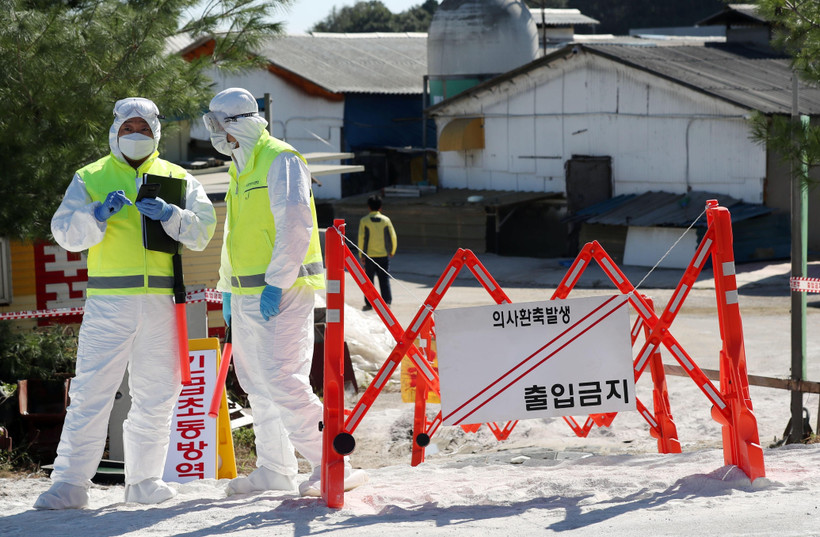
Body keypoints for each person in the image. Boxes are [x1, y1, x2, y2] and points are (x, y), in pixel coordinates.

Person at [35, 98, 217, 509]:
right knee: (91, 392)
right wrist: (96, 215)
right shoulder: (91, 176)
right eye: (128, 127)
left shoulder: (179, 178)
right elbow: (65, 232)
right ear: (114, 130)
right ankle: (69, 484)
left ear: (156, 131)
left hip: (161, 303)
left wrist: (171, 213)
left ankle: (145, 481)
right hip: (110, 301)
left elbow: (202, 231)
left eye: (143, 127)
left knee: (157, 394)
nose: (135, 134)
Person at [203, 87, 366, 497]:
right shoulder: (241, 168)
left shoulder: (281, 159)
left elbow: (294, 226)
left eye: (222, 125)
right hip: (246, 294)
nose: (218, 134)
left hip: (282, 290)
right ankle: (275, 469)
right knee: (256, 382)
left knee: (283, 379)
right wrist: (228, 289)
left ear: (240, 123)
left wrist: (274, 283)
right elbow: (235, 237)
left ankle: (334, 462)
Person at [357, 195, 397, 311]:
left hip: (369, 256)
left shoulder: (364, 221)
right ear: (380, 207)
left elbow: (361, 239)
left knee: (369, 281)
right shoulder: (386, 220)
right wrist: (392, 251)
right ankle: (386, 302)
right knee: (384, 279)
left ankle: (369, 303)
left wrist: (361, 255)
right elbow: (393, 237)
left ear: (369, 207)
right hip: (383, 255)